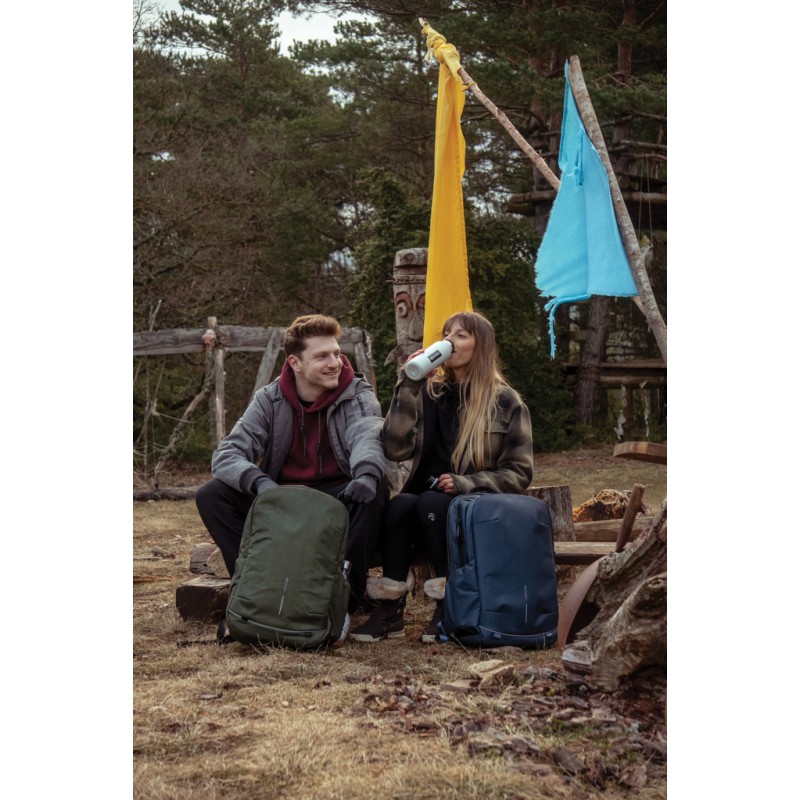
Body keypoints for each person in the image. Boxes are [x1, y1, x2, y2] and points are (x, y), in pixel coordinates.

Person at [349, 310, 534, 643]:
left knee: (431, 504)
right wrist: (408, 385)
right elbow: (394, 448)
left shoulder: (506, 401)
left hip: (476, 505)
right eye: (447, 334)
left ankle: (450, 606)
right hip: (428, 502)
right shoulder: (429, 394)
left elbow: (519, 473)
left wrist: (465, 483)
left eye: (461, 335)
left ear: (481, 346)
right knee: (399, 506)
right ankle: (390, 610)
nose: (450, 341)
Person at [196, 314, 389, 623]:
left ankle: (344, 600)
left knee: (374, 489)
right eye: (322, 356)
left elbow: (366, 433)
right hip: (283, 498)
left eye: (337, 353)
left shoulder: (356, 393)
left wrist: (366, 473)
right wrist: (259, 483)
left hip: (338, 498)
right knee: (212, 495)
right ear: (295, 363)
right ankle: (254, 584)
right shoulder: (269, 399)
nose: (335, 363)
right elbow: (228, 454)